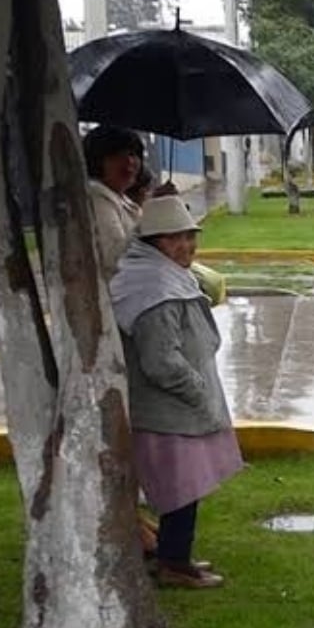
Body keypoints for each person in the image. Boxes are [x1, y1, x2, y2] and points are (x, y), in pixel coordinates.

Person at [110, 196, 244, 589]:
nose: (186, 246)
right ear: (152, 242)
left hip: (177, 410)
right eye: (174, 238)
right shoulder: (153, 288)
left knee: (185, 488)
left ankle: (174, 557)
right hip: (168, 411)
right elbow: (160, 361)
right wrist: (197, 389)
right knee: (180, 491)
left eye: (189, 236)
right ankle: (173, 565)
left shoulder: (163, 273)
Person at [84, 126, 145, 279]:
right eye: (118, 156)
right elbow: (115, 258)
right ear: (96, 161)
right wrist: (153, 212)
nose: (129, 162)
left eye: (133, 154)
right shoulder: (97, 196)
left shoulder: (121, 197)